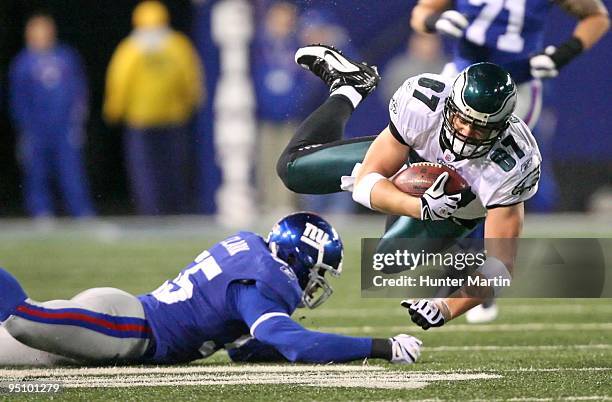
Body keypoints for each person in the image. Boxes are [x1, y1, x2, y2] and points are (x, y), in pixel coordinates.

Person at [276, 45, 541, 329]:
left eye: (479, 128)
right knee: (292, 170)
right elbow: (366, 185)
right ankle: (350, 87)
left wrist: (446, 307)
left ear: (501, 129)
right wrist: (419, 206)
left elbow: (501, 265)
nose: (465, 132)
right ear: (449, 105)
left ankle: (457, 247)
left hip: (454, 211)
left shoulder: (514, 161)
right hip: (409, 166)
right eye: (461, 119)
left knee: (388, 260)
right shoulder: (423, 104)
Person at [0, 212, 421, 366]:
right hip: (129, 331)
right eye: (317, 271)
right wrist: (380, 347)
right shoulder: (259, 282)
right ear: (297, 259)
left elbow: (244, 348)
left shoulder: (251, 252)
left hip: (123, 314)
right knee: (23, 319)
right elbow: (296, 345)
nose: (316, 283)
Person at [410, 0, 609, 322]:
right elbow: (419, 15)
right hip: (461, 81)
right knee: (437, 171)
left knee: (494, 182)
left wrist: (563, 54)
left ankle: (475, 274)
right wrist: (436, 20)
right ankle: (461, 266)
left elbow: (596, 17)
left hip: (516, 88)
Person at [103, 1, 204, 215]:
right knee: (170, 168)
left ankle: (153, 211)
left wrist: (114, 110)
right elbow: (191, 80)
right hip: (169, 118)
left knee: (147, 171)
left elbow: (119, 82)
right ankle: (172, 209)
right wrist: (190, 104)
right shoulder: (176, 45)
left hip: (144, 120)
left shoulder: (131, 49)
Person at [8, 12, 95, 219]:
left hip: (64, 126)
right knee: (37, 172)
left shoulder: (66, 57)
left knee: (72, 171)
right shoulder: (22, 64)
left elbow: (79, 90)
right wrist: (24, 129)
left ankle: (81, 210)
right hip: (36, 128)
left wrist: (78, 121)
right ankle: (41, 210)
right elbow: (18, 99)